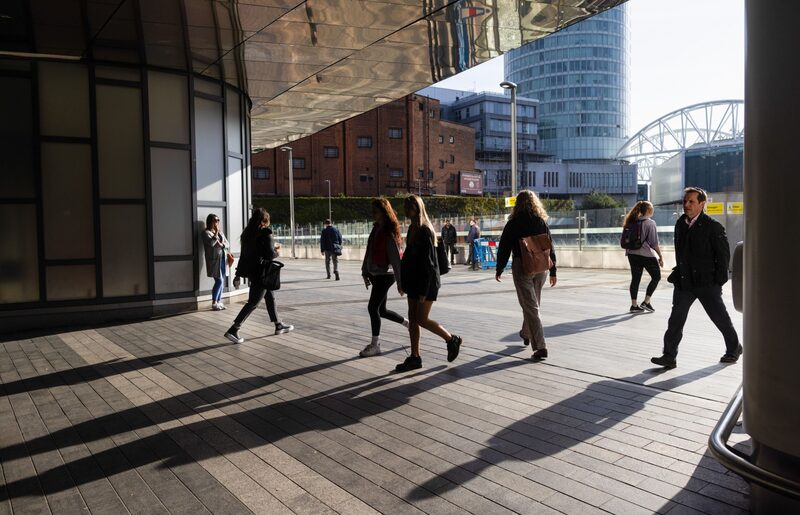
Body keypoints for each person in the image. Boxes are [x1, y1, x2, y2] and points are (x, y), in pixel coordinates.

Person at [651, 187, 742, 369]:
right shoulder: (680, 224)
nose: (686, 205)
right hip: (684, 282)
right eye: (685, 201)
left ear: (702, 203)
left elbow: (723, 256)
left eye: (691, 201)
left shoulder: (713, 226)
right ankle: (669, 356)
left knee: (719, 317)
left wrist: (718, 281)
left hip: (707, 283)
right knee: (676, 319)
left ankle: (734, 348)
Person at [396, 195, 463, 372]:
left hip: (426, 282)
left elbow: (429, 263)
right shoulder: (413, 228)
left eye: (409, 207)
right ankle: (415, 357)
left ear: (417, 208)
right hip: (414, 280)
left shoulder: (425, 230)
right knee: (413, 318)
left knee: (421, 319)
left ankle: (451, 339)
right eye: (405, 207)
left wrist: (424, 289)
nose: (406, 211)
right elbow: (408, 258)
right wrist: (402, 281)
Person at [495, 190, 557, 361]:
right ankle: (525, 332)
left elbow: (504, 248)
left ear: (518, 204)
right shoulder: (540, 221)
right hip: (541, 267)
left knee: (531, 306)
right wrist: (553, 270)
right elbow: (550, 245)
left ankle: (541, 346)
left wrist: (499, 268)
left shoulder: (513, 223)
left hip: (522, 266)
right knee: (532, 304)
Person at [224, 208, 293, 343]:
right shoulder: (265, 233)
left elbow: (243, 256)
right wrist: (276, 251)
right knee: (253, 302)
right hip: (263, 273)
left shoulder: (247, 234)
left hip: (252, 272)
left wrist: (238, 275)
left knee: (270, 297)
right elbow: (269, 255)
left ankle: (278, 324)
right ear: (264, 220)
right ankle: (234, 329)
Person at [359, 198, 410, 357]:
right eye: (372, 211)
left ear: (383, 212)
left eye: (376, 211)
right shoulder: (376, 229)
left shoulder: (388, 232)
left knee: (372, 308)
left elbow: (396, 260)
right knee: (382, 310)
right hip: (376, 274)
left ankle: (375, 345)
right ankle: (409, 324)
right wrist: (365, 271)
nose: (373, 214)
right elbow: (369, 252)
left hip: (385, 276)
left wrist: (401, 284)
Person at [623, 201, 664, 313]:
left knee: (635, 279)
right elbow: (654, 243)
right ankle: (646, 302)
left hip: (632, 254)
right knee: (656, 277)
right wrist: (660, 256)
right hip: (646, 255)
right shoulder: (650, 223)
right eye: (652, 209)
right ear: (648, 211)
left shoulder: (630, 221)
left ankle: (634, 305)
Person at [202, 213, 229, 311]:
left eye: (218, 220)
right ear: (210, 221)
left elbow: (227, 243)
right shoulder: (206, 233)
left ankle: (219, 301)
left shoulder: (220, 232)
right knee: (219, 280)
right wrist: (216, 233)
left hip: (222, 258)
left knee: (222, 281)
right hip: (213, 260)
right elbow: (211, 243)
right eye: (215, 220)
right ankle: (214, 303)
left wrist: (222, 245)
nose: (217, 222)